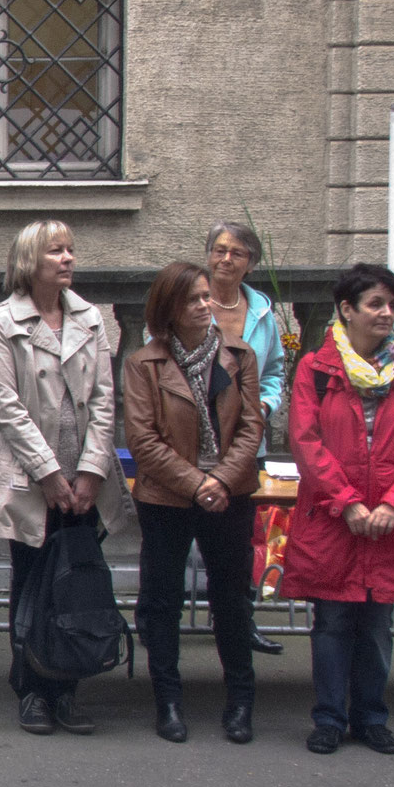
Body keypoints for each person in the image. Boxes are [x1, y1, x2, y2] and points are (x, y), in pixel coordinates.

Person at [0, 219, 133, 736]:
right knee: (32, 584)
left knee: (77, 582)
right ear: (30, 261)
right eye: (55, 251)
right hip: (33, 477)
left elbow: (105, 400)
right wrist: (48, 474)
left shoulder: (90, 318)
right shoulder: (3, 323)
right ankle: (31, 689)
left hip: (83, 475)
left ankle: (67, 685)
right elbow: (6, 408)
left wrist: (91, 471)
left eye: (71, 250)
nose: (67, 259)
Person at [283, 263, 394, 757]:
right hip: (335, 520)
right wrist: (347, 502)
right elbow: (306, 443)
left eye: (392, 304)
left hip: (391, 523)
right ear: (347, 310)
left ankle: (372, 717)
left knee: (377, 625)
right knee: (332, 621)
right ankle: (329, 718)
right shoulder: (315, 367)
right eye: (375, 304)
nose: (386, 312)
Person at [122, 262, 265, 744]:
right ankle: (168, 699)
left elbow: (251, 426)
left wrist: (220, 480)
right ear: (169, 310)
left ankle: (240, 701)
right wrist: (195, 483)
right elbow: (142, 440)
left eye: (208, 297)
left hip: (231, 494)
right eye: (195, 300)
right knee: (162, 599)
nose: (207, 306)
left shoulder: (238, 355)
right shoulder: (144, 363)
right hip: (167, 497)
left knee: (232, 598)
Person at [201, 220, 289, 655]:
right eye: (219, 250)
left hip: (245, 441)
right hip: (192, 440)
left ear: (250, 263)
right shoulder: (189, 302)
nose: (226, 259)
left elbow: (273, 372)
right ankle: (164, 618)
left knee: (240, 543)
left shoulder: (261, 313)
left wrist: (264, 408)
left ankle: (239, 620)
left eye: (236, 253)